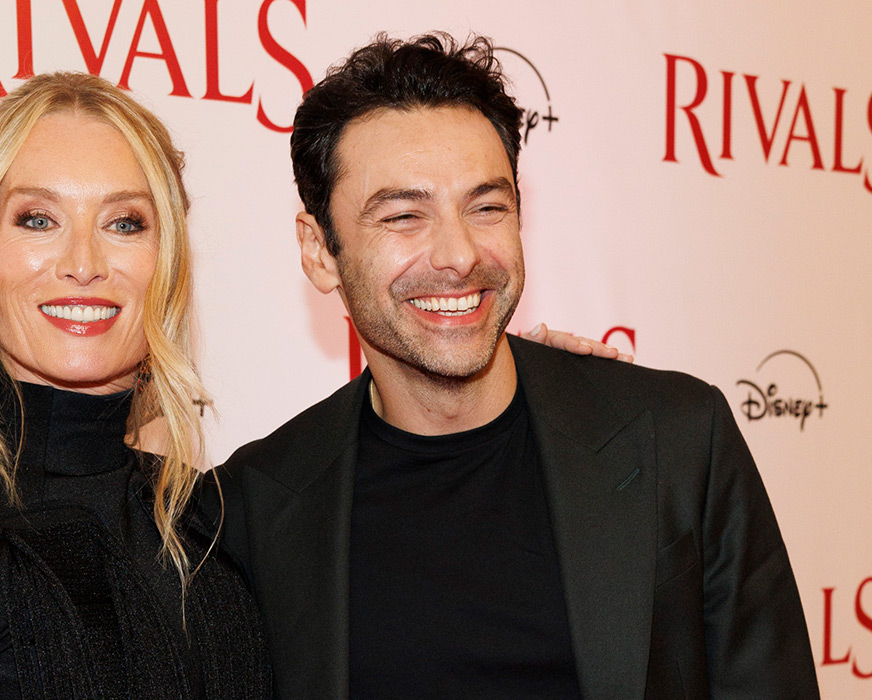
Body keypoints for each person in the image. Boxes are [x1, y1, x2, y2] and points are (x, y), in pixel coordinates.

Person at [213, 33, 820, 700]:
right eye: (404, 216)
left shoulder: (678, 441)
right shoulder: (252, 507)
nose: (459, 254)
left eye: (487, 207)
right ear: (319, 251)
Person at [0, 72, 272, 699]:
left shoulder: (209, 525)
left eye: (124, 223)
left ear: (165, 261)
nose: (84, 263)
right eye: (38, 219)